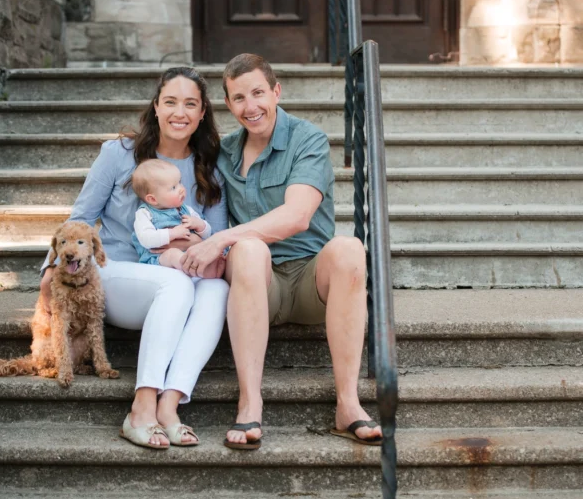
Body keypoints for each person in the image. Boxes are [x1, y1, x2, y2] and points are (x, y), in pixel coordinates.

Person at [180, 53, 383, 449]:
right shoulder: (224, 152)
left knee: (349, 249)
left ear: (276, 91)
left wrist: (221, 238)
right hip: (259, 281)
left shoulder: (307, 138)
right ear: (228, 104)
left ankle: (348, 403)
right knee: (251, 249)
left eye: (258, 93)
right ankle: (249, 403)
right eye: (239, 98)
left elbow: (297, 216)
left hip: (311, 280)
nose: (250, 107)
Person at [39, 67, 228, 449]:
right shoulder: (119, 154)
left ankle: (170, 404)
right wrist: (52, 267)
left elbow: (219, 240)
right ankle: (141, 408)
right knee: (174, 283)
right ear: (156, 107)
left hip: (180, 281)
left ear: (203, 112)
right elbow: (80, 217)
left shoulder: (210, 167)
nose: (180, 112)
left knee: (218, 291)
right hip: (116, 275)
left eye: (190, 104)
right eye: (170, 102)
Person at [130, 158, 222, 278]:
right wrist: (172, 233)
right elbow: (146, 239)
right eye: (173, 188)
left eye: (180, 182)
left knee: (202, 252)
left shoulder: (186, 210)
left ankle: (208, 267)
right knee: (173, 254)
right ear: (152, 199)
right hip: (159, 259)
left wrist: (200, 225)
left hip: (190, 254)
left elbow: (208, 234)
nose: (181, 189)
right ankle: (200, 271)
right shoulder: (144, 214)